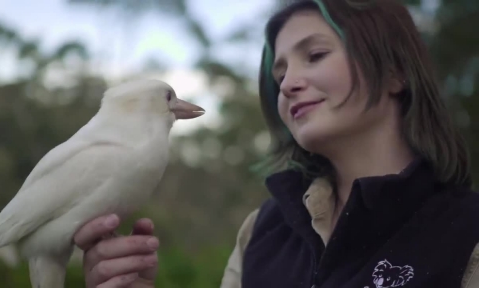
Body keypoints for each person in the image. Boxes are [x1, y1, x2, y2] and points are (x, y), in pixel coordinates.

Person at [73, 0, 479, 287]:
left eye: (315, 55)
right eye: (279, 72)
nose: (287, 83)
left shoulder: (466, 233)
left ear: (395, 73)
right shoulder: (261, 231)